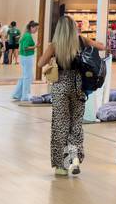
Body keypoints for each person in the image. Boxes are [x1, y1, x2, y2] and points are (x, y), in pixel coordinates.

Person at [39, 15, 92, 177]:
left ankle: (61, 166)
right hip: (78, 86)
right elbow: (101, 47)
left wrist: (52, 61)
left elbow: (40, 63)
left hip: (60, 86)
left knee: (60, 126)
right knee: (76, 124)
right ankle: (74, 159)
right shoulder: (82, 41)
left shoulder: (55, 45)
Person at [11, 19, 38, 101]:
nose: (36, 30)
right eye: (36, 28)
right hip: (27, 57)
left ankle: (17, 94)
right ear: (31, 27)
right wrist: (35, 46)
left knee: (24, 76)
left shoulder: (25, 35)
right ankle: (25, 96)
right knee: (27, 77)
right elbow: (25, 48)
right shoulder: (27, 36)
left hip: (24, 57)